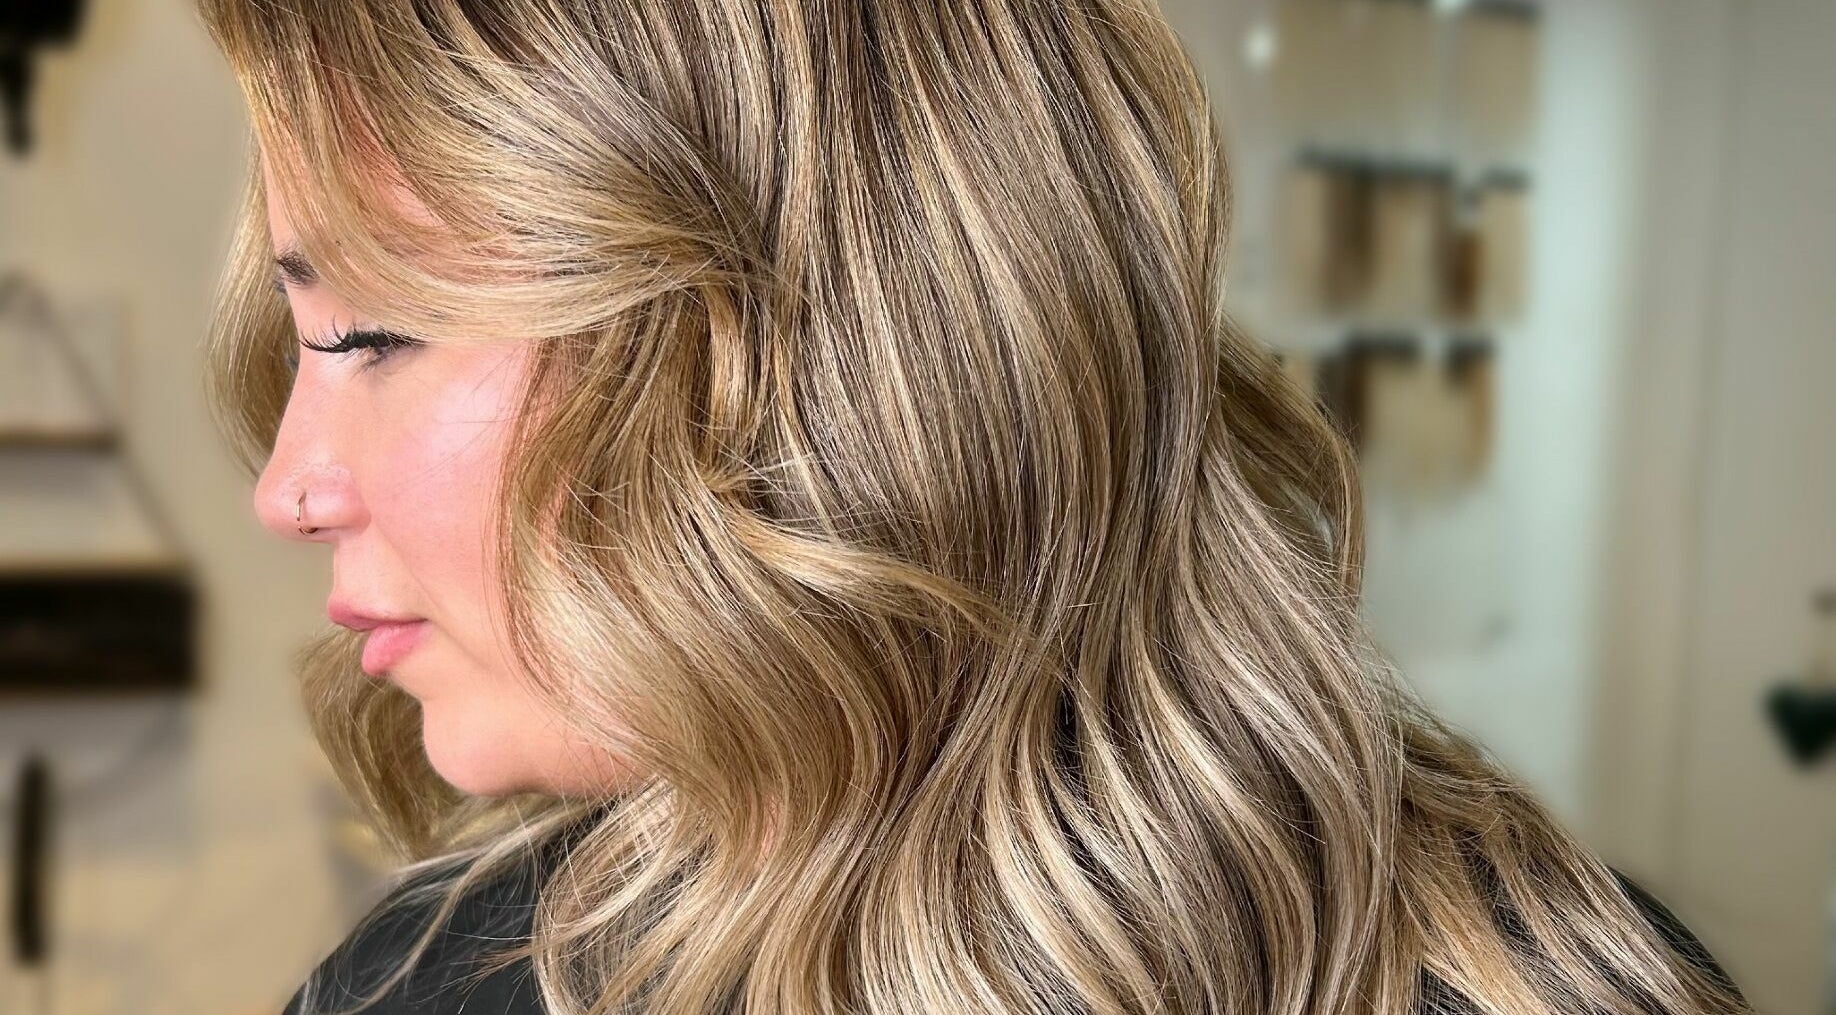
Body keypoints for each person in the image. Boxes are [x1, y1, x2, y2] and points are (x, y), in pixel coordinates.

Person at [194, 1, 1751, 1013]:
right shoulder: (437, 981)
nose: (288, 487)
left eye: (375, 334)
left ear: (821, 355)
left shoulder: (1526, 985)